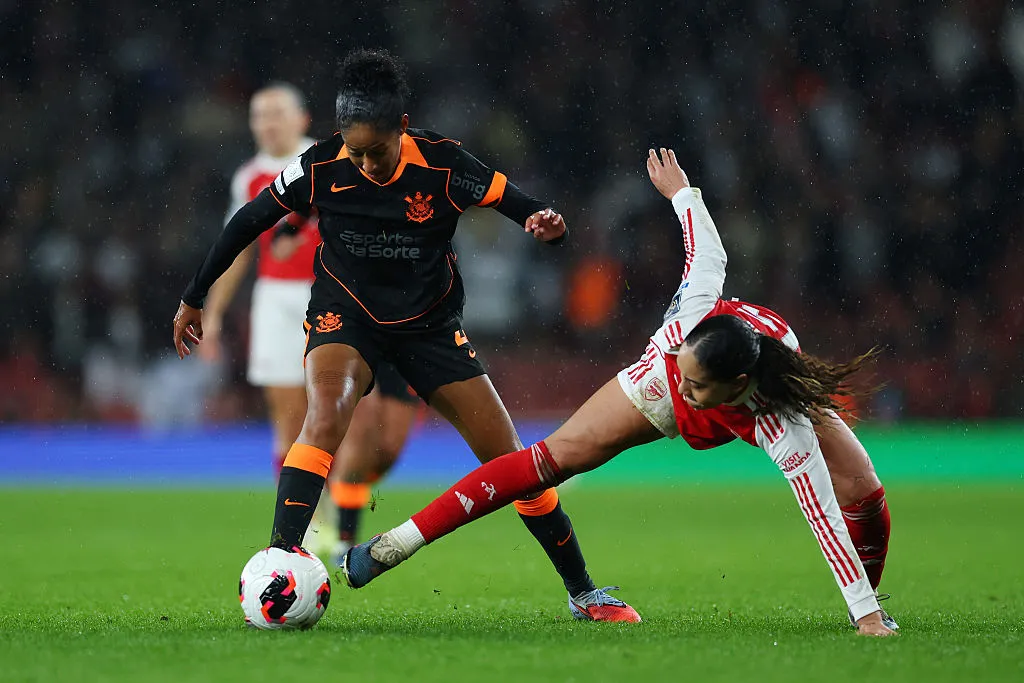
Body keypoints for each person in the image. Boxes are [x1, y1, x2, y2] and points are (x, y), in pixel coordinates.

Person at [340, 148, 898, 637]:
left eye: (699, 387)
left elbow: (819, 507)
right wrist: (682, 193)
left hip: (761, 395)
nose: (689, 390)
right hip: (651, 379)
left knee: (862, 490)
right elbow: (708, 251)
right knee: (545, 461)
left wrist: (864, 613)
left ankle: (869, 608)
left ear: (739, 387)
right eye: (689, 373)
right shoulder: (683, 340)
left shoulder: (781, 416)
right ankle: (394, 545)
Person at [172, 48, 640, 623]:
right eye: (354, 149)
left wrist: (545, 225)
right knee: (326, 412)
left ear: (401, 125)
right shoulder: (320, 164)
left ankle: (584, 591)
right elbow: (248, 221)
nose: (365, 163)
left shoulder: (445, 163)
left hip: (430, 329)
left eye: (376, 149)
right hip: (347, 317)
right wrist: (194, 296)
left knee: (513, 461)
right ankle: (282, 556)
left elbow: (524, 208)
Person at [197, 81, 420, 559]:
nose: (267, 123)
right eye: (259, 115)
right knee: (289, 419)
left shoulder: (333, 158)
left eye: (277, 113)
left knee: (355, 417)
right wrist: (212, 315)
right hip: (276, 302)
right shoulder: (248, 179)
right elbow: (238, 251)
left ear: (301, 119)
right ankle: (313, 525)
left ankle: (342, 514)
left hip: (338, 295)